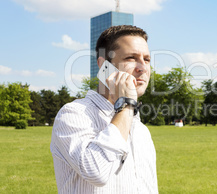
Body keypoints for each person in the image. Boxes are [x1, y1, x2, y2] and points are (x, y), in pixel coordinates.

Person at [50, 25, 158, 193]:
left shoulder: (141, 130)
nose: (143, 68)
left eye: (147, 59)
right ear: (104, 65)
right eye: (131, 58)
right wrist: (127, 104)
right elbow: (96, 172)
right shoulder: (73, 114)